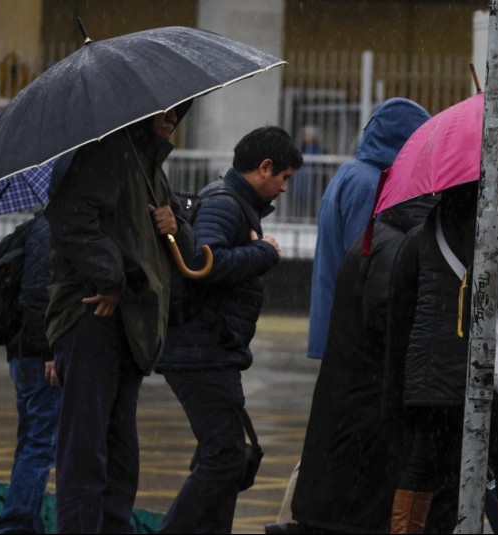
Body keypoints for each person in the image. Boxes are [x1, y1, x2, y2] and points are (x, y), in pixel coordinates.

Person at [45, 106, 194, 533]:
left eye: (180, 111)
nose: (175, 118)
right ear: (141, 110)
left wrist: (176, 225)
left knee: (120, 458)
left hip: (131, 323)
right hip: (94, 316)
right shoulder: (105, 153)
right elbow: (70, 220)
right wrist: (111, 278)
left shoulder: (148, 166)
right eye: (167, 111)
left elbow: (169, 242)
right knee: (86, 453)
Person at [154, 126, 302, 534]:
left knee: (221, 455)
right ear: (265, 167)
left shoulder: (235, 201)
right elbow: (206, 264)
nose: (284, 189)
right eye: (284, 178)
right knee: (225, 457)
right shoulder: (225, 203)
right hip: (201, 350)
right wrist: (263, 251)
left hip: (210, 349)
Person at [386, 179, 498, 534]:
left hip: (430, 365)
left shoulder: (435, 219)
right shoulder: (490, 210)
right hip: (476, 361)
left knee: (421, 464)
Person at [276, 195, 436, 535]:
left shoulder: (381, 233)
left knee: (335, 501)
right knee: (352, 509)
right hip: (369, 403)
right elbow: (385, 315)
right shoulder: (399, 246)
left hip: (353, 398)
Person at [306, 97, 430, 360]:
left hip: (340, 321)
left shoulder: (353, 173)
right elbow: (367, 263)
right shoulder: (371, 184)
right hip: (354, 331)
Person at [0, 212, 60, 535]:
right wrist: (50, 352)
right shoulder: (48, 230)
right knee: (41, 445)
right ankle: (14, 527)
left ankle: (25, 522)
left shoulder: (34, 228)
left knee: (31, 442)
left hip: (23, 355)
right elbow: (36, 295)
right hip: (36, 357)